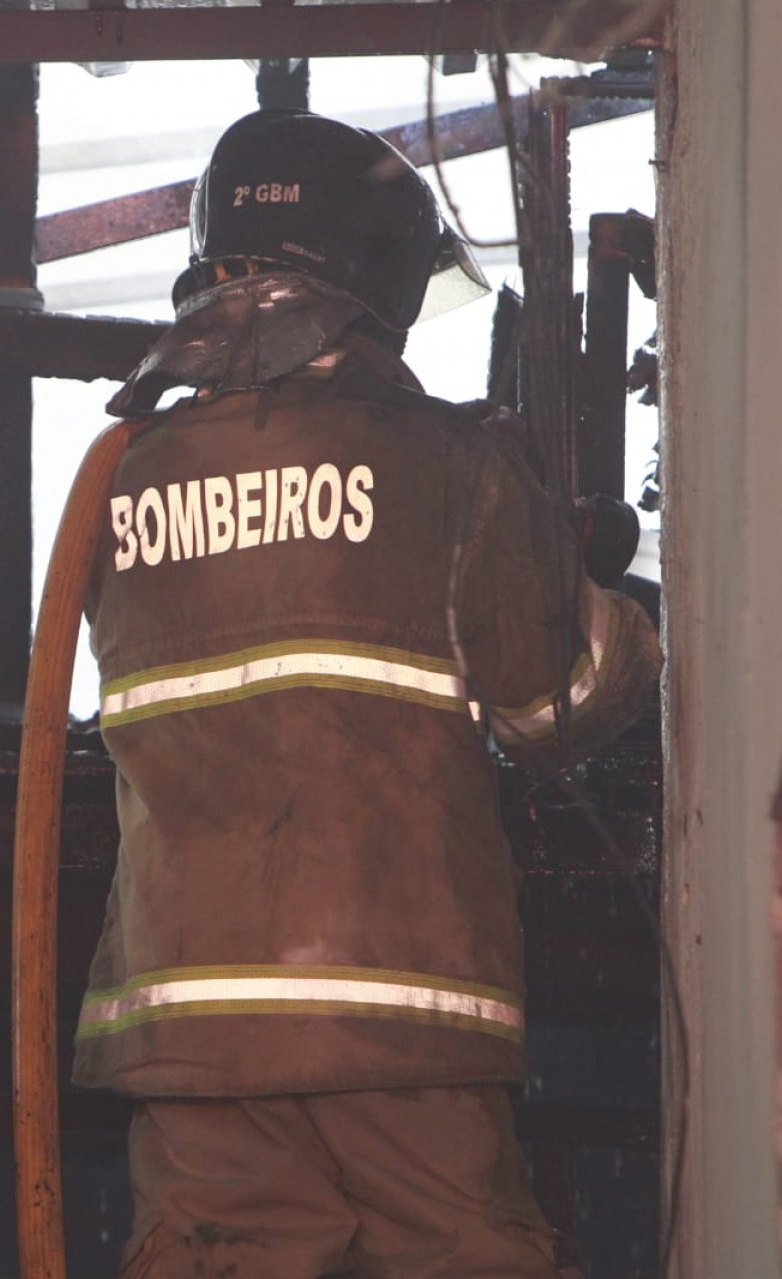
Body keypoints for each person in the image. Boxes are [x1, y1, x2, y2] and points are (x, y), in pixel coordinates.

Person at [75, 109, 663, 1278]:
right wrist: (618, 603)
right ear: (382, 277)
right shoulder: (442, 460)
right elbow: (564, 701)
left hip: (194, 1041)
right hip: (404, 1020)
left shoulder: (120, 479)